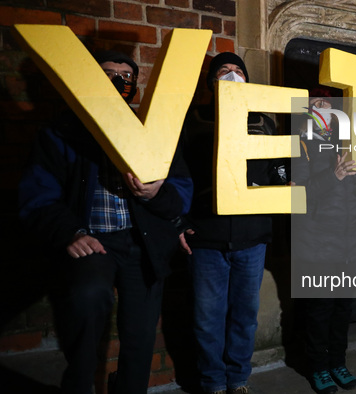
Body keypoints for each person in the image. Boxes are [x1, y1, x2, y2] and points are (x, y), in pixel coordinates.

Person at [18, 50, 193, 394]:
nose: (117, 81)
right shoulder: (62, 131)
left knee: (141, 335)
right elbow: (37, 196)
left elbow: (182, 189)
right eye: (107, 73)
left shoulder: (154, 130)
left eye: (125, 76)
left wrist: (157, 194)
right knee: (87, 298)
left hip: (142, 243)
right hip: (93, 241)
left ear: (135, 86)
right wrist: (69, 232)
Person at [179, 52, 285, 394]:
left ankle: (238, 380)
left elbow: (275, 168)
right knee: (207, 318)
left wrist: (284, 185)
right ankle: (212, 382)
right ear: (211, 82)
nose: (232, 74)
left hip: (251, 237)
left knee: (244, 316)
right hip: (206, 236)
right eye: (224, 70)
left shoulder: (263, 122)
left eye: (238, 70)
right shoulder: (192, 121)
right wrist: (179, 220)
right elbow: (178, 177)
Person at [291, 89, 356, 394]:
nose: (324, 105)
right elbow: (297, 194)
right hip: (317, 244)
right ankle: (318, 368)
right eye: (316, 101)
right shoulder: (298, 141)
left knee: (343, 309)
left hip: (349, 244)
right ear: (306, 109)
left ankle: (338, 362)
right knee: (319, 311)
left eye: (328, 101)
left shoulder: (350, 141)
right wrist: (335, 175)